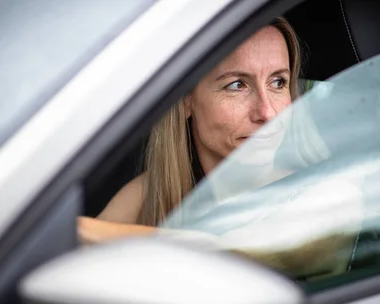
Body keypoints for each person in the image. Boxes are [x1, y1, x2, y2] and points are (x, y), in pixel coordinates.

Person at [78, 17, 363, 278]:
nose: (267, 112)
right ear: (187, 99)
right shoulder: (154, 189)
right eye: (237, 85)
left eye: (278, 82)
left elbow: (227, 257)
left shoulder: (332, 195)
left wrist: (83, 229)